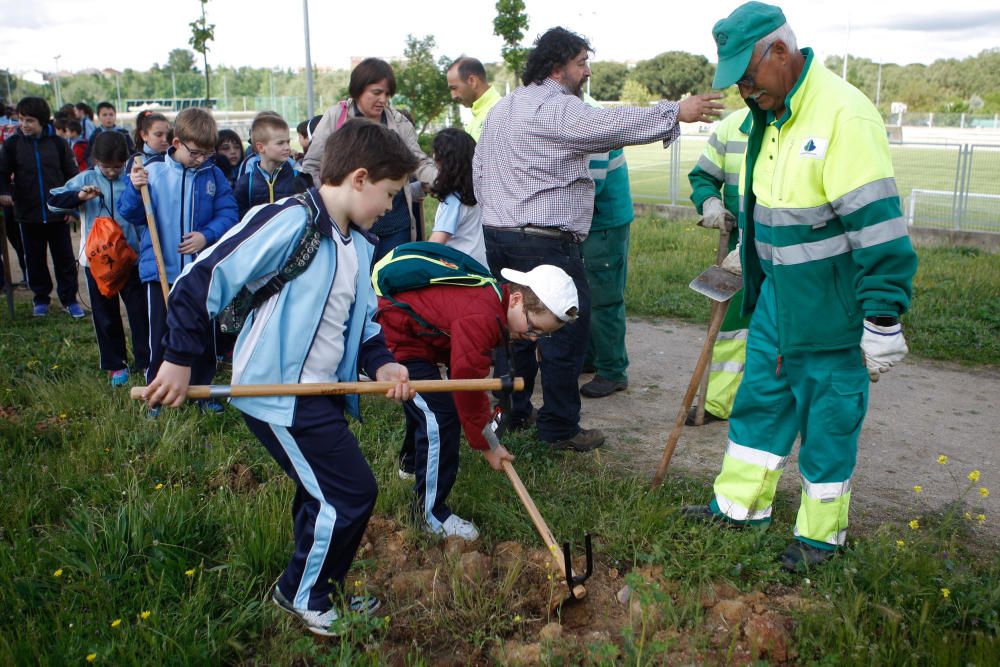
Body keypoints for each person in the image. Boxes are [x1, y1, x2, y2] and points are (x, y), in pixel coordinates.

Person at [141, 119, 416, 637]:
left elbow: (362, 322)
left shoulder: (357, 245)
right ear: (359, 178)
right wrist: (178, 358)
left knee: (324, 493)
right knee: (350, 493)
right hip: (278, 394)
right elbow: (201, 277)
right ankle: (307, 598)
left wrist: (382, 362)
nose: (389, 207)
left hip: (320, 392)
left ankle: (305, 586)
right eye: (388, 194)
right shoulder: (288, 220)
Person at [683, 2, 918, 571]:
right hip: (777, 309)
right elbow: (772, 209)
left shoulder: (843, 115)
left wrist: (882, 319)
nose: (742, 90)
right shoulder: (770, 114)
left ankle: (820, 538)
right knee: (758, 409)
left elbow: (878, 229)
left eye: (747, 76)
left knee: (828, 429)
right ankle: (737, 506)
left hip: (831, 317)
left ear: (780, 53)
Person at [474, 26, 723, 452]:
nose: (587, 72)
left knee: (513, 328)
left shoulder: (503, 108)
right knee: (563, 330)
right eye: (581, 63)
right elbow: (610, 123)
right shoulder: (556, 108)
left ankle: (513, 413)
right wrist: (675, 111)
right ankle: (558, 428)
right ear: (558, 67)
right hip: (543, 242)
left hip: (498, 234)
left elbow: (480, 168)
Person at [379, 263, 574, 539]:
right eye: (533, 327)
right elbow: (468, 385)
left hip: (412, 335)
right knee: (441, 417)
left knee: (430, 406)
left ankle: (411, 465)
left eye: (542, 334)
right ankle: (428, 514)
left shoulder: (494, 300)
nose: (532, 337)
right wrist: (487, 445)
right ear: (517, 299)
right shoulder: (483, 316)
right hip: (395, 336)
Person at [117, 107, 239, 412]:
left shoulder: (213, 175)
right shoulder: (151, 172)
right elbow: (130, 213)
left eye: (207, 154)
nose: (201, 159)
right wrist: (134, 188)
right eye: (195, 153)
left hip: (199, 274)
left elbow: (229, 214)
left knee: (203, 332)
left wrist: (206, 235)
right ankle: (156, 394)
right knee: (159, 334)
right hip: (161, 271)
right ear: (176, 142)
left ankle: (202, 390)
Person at [302, 58, 437, 263]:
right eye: (376, 92)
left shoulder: (399, 122)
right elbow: (311, 165)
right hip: (350, 224)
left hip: (395, 225)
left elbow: (418, 161)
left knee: (390, 283)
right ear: (357, 90)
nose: (382, 100)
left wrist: (445, 180)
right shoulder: (335, 117)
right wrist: (328, 205)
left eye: (387, 94)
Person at [48, 132, 150, 385]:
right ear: (96, 161)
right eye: (106, 167)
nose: (112, 172)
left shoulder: (132, 178)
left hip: (130, 260)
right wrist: (79, 197)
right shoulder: (86, 179)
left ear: (125, 161)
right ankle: (116, 365)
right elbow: (52, 202)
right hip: (97, 264)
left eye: (117, 167)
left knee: (139, 313)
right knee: (105, 314)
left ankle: (146, 361)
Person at [686, 107, 753, 424]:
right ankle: (715, 404)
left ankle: (794, 407)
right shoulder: (731, 127)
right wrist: (710, 201)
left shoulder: (811, 123)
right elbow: (703, 175)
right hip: (739, 249)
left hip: (795, 247)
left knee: (791, 327)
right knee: (730, 330)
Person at [0, 96, 84, 318]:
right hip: (28, 215)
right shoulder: (13, 145)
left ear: (42, 121)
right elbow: (2, 174)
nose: (24, 125)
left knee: (65, 260)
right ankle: (41, 299)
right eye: (21, 120)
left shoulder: (58, 144)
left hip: (57, 215)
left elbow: (71, 177)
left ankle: (69, 300)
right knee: (34, 260)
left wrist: (71, 206)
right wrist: (5, 193)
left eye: (29, 121)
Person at [578, 93, 635, 399]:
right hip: (594, 221)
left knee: (604, 298)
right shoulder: (577, 112)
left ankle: (613, 371)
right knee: (585, 294)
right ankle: (590, 358)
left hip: (603, 223)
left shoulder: (591, 118)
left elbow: (589, 184)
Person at [426, 128, 487, 267]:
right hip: (481, 267)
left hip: (460, 271)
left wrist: (418, 261)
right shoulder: (478, 190)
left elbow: (437, 241)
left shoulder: (453, 199)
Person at [234, 114, 309, 218]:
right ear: (261, 147)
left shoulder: (300, 179)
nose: (287, 147)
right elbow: (238, 217)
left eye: (288, 142)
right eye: (280, 143)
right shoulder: (246, 183)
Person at [445, 57, 502, 142]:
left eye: (454, 88)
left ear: (472, 81)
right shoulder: (473, 122)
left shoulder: (502, 113)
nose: (453, 96)